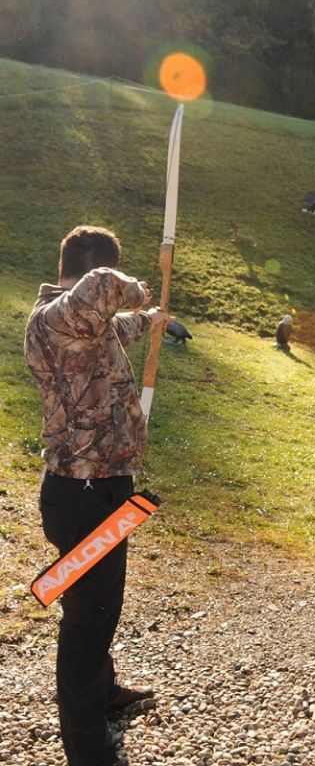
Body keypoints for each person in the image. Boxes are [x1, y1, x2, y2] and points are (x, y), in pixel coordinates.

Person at [24, 225, 169, 766]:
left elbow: (110, 326)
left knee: (100, 605)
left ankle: (101, 692)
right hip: (84, 494)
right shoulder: (60, 314)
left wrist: (147, 323)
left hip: (100, 487)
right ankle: (87, 746)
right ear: (86, 275)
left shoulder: (80, 323)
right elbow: (107, 287)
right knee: (88, 616)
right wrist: (147, 285)